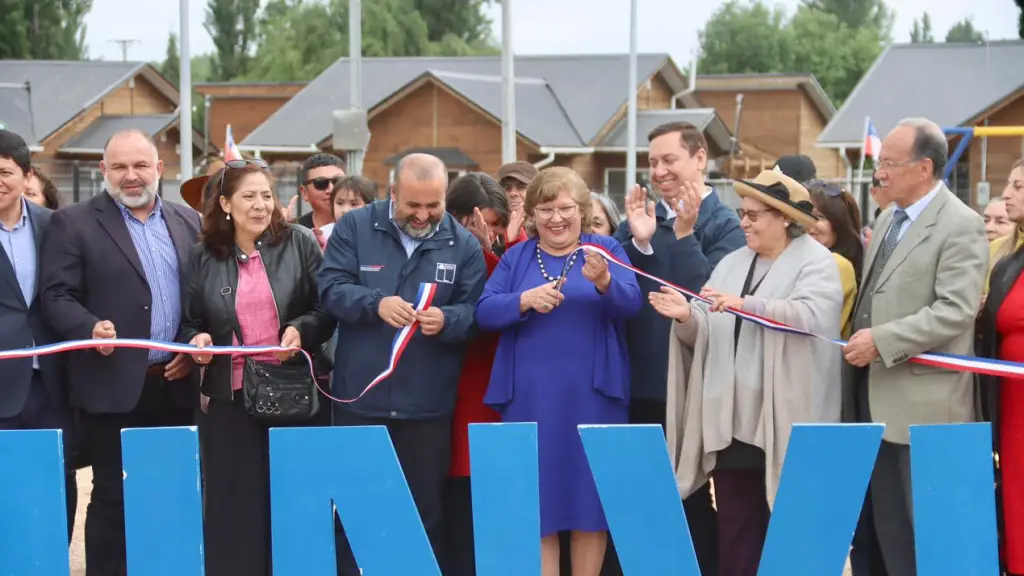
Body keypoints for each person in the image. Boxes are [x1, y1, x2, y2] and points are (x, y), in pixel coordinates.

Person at [653, 169, 842, 576]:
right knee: (736, 527)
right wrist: (687, 317)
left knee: (791, 529)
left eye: (754, 215)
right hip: (733, 422)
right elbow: (707, 321)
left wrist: (744, 305)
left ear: (785, 217)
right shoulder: (733, 262)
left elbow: (811, 316)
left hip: (789, 421)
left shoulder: (818, 262)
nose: (744, 223)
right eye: (742, 213)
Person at [40, 129, 202, 575]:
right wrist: (89, 326)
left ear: (159, 169)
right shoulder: (72, 222)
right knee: (113, 497)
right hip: (112, 385)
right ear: (103, 172)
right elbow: (55, 295)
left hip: (178, 383)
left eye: (140, 166)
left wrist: (192, 344)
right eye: (120, 167)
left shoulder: (190, 221)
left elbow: (203, 297)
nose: (131, 177)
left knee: (176, 492)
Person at [317, 153, 486, 574]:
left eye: (434, 205)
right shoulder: (355, 226)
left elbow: (477, 313)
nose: (424, 215)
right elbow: (330, 288)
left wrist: (448, 319)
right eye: (414, 205)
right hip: (360, 400)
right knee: (353, 511)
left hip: (426, 406)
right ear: (393, 192)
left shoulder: (463, 244)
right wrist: (375, 303)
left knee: (422, 514)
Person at [476, 166, 641, 576]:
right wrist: (523, 300)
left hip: (594, 396)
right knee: (538, 504)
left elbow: (632, 306)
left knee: (590, 504)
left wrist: (605, 281)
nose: (556, 218)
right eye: (545, 209)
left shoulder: (605, 250)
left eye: (565, 208)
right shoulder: (516, 257)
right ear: (531, 214)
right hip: (531, 399)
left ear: (582, 210)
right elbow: (484, 312)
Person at [842, 117, 989, 576]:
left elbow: (955, 310)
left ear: (924, 168)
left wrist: (882, 341)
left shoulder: (961, 225)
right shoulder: (887, 218)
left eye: (888, 162)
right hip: (875, 398)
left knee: (931, 534)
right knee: (892, 534)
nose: (879, 172)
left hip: (926, 407)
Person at [178, 159, 335, 576]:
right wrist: (198, 342)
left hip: (295, 393)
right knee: (234, 509)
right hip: (229, 400)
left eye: (266, 195)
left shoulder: (300, 242)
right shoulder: (203, 255)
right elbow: (191, 321)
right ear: (226, 203)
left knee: (296, 502)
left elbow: (326, 309)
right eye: (249, 196)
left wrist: (301, 330)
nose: (261, 204)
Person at [608, 121, 745, 576]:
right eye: (653, 162)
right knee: (645, 495)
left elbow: (710, 299)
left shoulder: (725, 224)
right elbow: (629, 295)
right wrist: (641, 242)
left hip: (693, 384)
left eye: (670, 159)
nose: (660, 171)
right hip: (643, 381)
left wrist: (685, 236)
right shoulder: (644, 223)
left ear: (700, 158)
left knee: (689, 498)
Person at [440, 171, 527, 575]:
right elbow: (476, 308)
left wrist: (499, 246)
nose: (488, 233)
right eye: (480, 223)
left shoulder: (508, 256)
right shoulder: (441, 255)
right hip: (455, 399)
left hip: (494, 401)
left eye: (496, 224)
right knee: (458, 510)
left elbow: (507, 301)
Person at [0, 130, 76, 541]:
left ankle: (52, 557)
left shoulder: (54, 225)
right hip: (2, 378)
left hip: (51, 378)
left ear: (26, 175)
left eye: (4, 172)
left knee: (57, 476)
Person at [977, 157, 1024, 576]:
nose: (1007, 193)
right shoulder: (1010, 260)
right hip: (1011, 404)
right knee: (1015, 496)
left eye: (1018, 186)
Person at [806, 180, 864, 337]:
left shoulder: (837, 265)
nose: (810, 225)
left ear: (840, 224)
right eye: (804, 215)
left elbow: (811, 327)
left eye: (820, 217)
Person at [318, 174, 378, 243]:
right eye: (340, 203)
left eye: (354, 204)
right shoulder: (323, 235)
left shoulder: (377, 236)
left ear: (369, 206)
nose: (345, 210)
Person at [297, 152, 346, 232]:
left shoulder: (363, 225)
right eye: (321, 183)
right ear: (304, 192)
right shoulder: (294, 232)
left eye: (338, 181)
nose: (331, 189)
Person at [498, 161, 537, 239]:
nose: (512, 193)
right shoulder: (494, 231)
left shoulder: (546, 228)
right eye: (507, 188)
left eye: (521, 187)